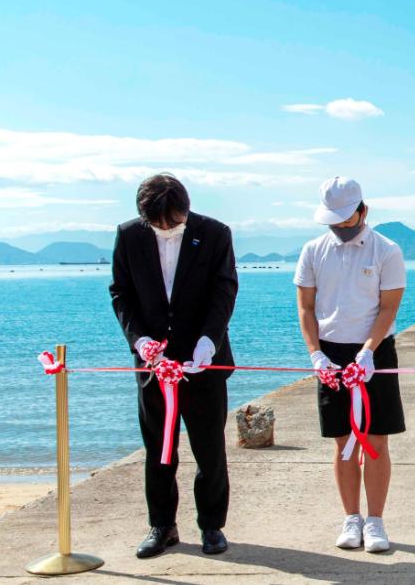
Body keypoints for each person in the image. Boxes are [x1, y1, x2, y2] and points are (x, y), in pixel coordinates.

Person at [108, 173, 238, 558]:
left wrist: (207, 342)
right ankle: (162, 526)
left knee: (209, 447)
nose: (167, 230)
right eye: (159, 225)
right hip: (154, 365)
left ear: (185, 209)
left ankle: (212, 526)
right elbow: (121, 293)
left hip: (203, 362)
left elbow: (224, 290)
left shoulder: (215, 233)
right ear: (145, 217)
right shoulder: (129, 235)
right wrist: (139, 340)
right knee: (158, 449)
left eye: (174, 223)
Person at [294, 176, 407, 552]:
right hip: (331, 353)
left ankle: (375, 521)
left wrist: (368, 351)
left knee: (375, 440)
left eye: (347, 219)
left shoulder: (386, 250)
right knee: (343, 441)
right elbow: (306, 307)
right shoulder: (313, 250)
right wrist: (316, 354)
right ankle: (351, 518)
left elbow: (389, 307)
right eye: (334, 221)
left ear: (363, 211)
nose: (342, 228)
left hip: (374, 352)